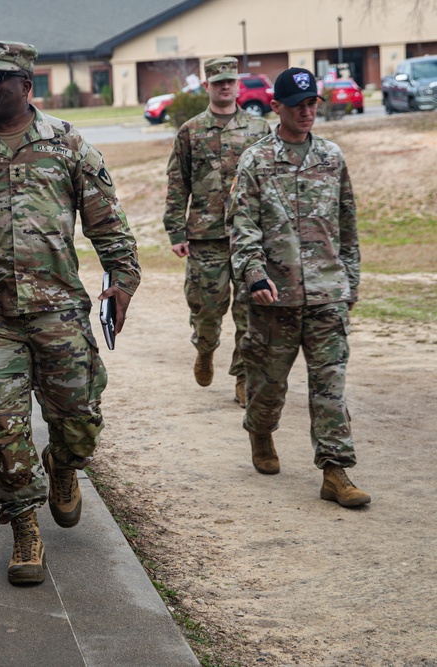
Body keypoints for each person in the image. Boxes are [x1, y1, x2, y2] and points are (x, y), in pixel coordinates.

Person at [0, 41, 141, 585]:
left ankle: (64, 466)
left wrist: (122, 279)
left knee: (79, 418)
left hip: (59, 309)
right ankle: (24, 530)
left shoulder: (66, 145)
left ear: (28, 85)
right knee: (3, 424)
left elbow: (107, 223)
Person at [228, 67, 370, 507]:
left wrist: (350, 284)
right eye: (298, 106)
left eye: (312, 105)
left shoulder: (331, 156)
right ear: (277, 109)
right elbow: (242, 227)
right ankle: (260, 430)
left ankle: (335, 470)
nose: (307, 112)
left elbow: (347, 225)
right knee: (268, 386)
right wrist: (253, 275)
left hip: (328, 293)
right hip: (275, 297)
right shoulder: (256, 160)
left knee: (330, 385)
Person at [163, 57, 271, 406]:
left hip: (248, 237)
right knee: (207, 310)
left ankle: (243, 378)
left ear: (238, 85)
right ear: (207, 86)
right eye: (218, 82)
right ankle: (205, 349)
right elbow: (177, 183)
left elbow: (271, 184)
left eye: (230, 81)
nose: (225, 87)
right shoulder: (191, 131)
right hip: (205, 235)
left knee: (250, 313)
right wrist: (176, 230)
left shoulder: (259, 129)